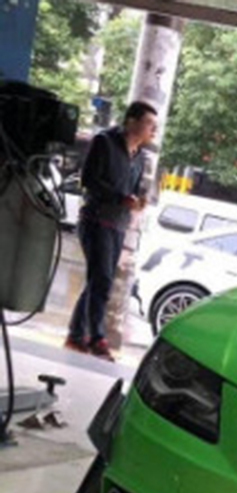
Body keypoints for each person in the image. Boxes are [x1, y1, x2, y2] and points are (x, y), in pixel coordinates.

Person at [64, 101, 158, 361]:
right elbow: (89, 180)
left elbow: (134, 190)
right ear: (131, 121)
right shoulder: (104, 142)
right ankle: (96, 338)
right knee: (103, 279)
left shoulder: (140, 157)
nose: (153, 130)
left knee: (97, 280)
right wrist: (120, 198)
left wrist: (137, 201)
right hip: (96, 220)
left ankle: (76, 335)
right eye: (149, 124)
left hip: (118, 225)